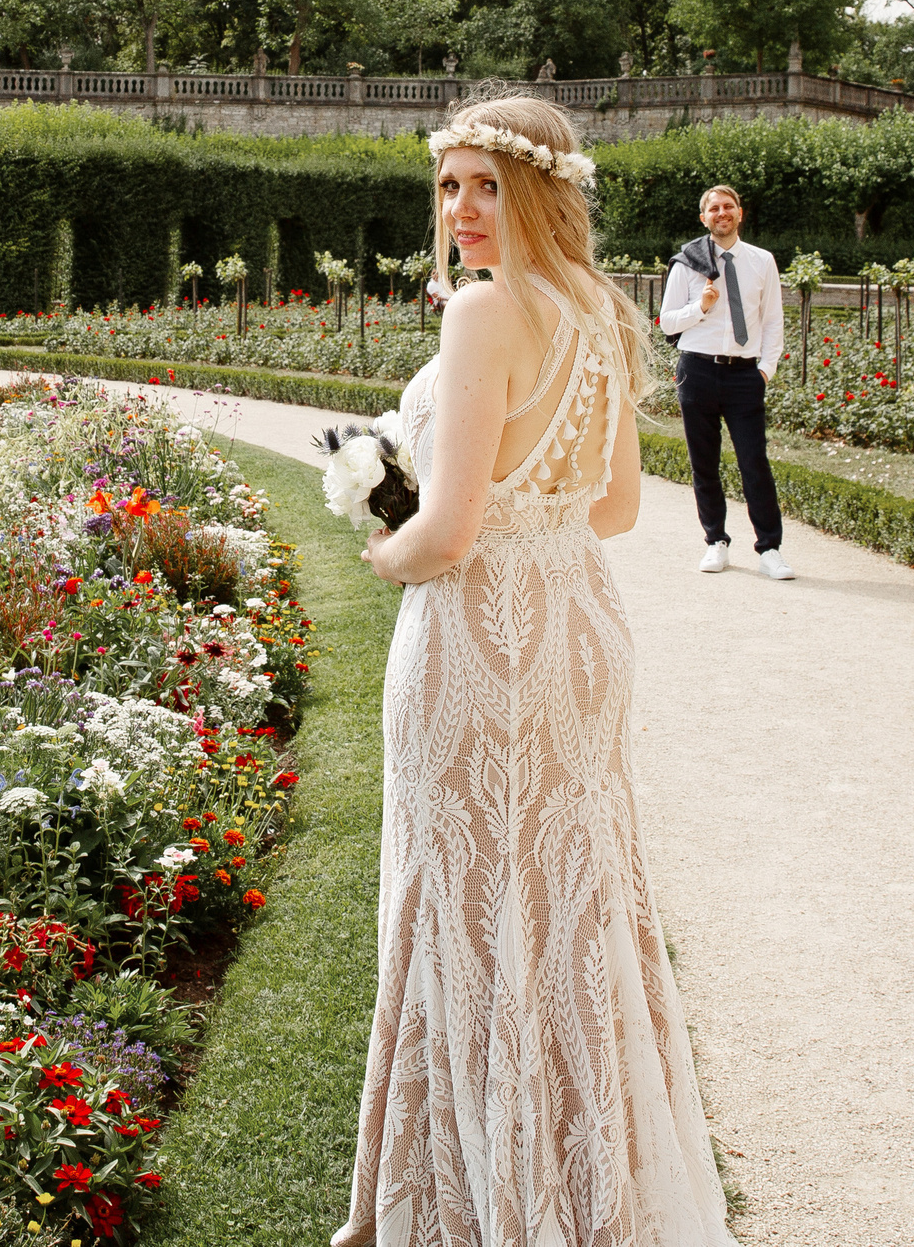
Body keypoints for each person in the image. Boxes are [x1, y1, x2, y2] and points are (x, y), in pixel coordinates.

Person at [341, 94, 738, 1247]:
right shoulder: (603, 311)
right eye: (449, 185)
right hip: (578, 624)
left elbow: (448, 534)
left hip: (479, 632)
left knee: (466, 899)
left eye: (484, 185)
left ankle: (483, 1202)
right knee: (571, 896)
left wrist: (379, 543)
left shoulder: (482, 312)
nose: (462, 209)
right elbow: (613, 507)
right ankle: (590, 1178)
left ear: (538, 190)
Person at [658, 185, 791, 579]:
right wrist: (700, 307)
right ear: (704, 218)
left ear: (739, 213)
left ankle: (770, 548)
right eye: (713, 208)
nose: (721, 213)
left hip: (744, 375)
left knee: (755, 462)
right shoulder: (688, 263)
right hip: (697, 370)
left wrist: (766, 368)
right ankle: (716, 541)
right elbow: (666, 322)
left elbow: (772, 319)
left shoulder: (762, 261)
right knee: (705, 463)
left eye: (728, 206)